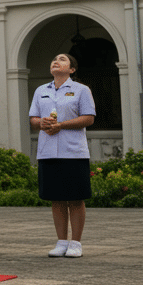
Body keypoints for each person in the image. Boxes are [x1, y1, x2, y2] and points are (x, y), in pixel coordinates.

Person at [28, 53, 96, 258]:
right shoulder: (41, 90)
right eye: (54, 60)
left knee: (75, 198)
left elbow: (89, 118)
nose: (55, 62)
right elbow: (33, 118)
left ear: (72, 69)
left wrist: (61, 125)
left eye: (62, 60)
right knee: (56, 199)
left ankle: (76, 242)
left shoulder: (81, 90)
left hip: (73, 152)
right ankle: (61, 241)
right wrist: (41, 123)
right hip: (48, 152)